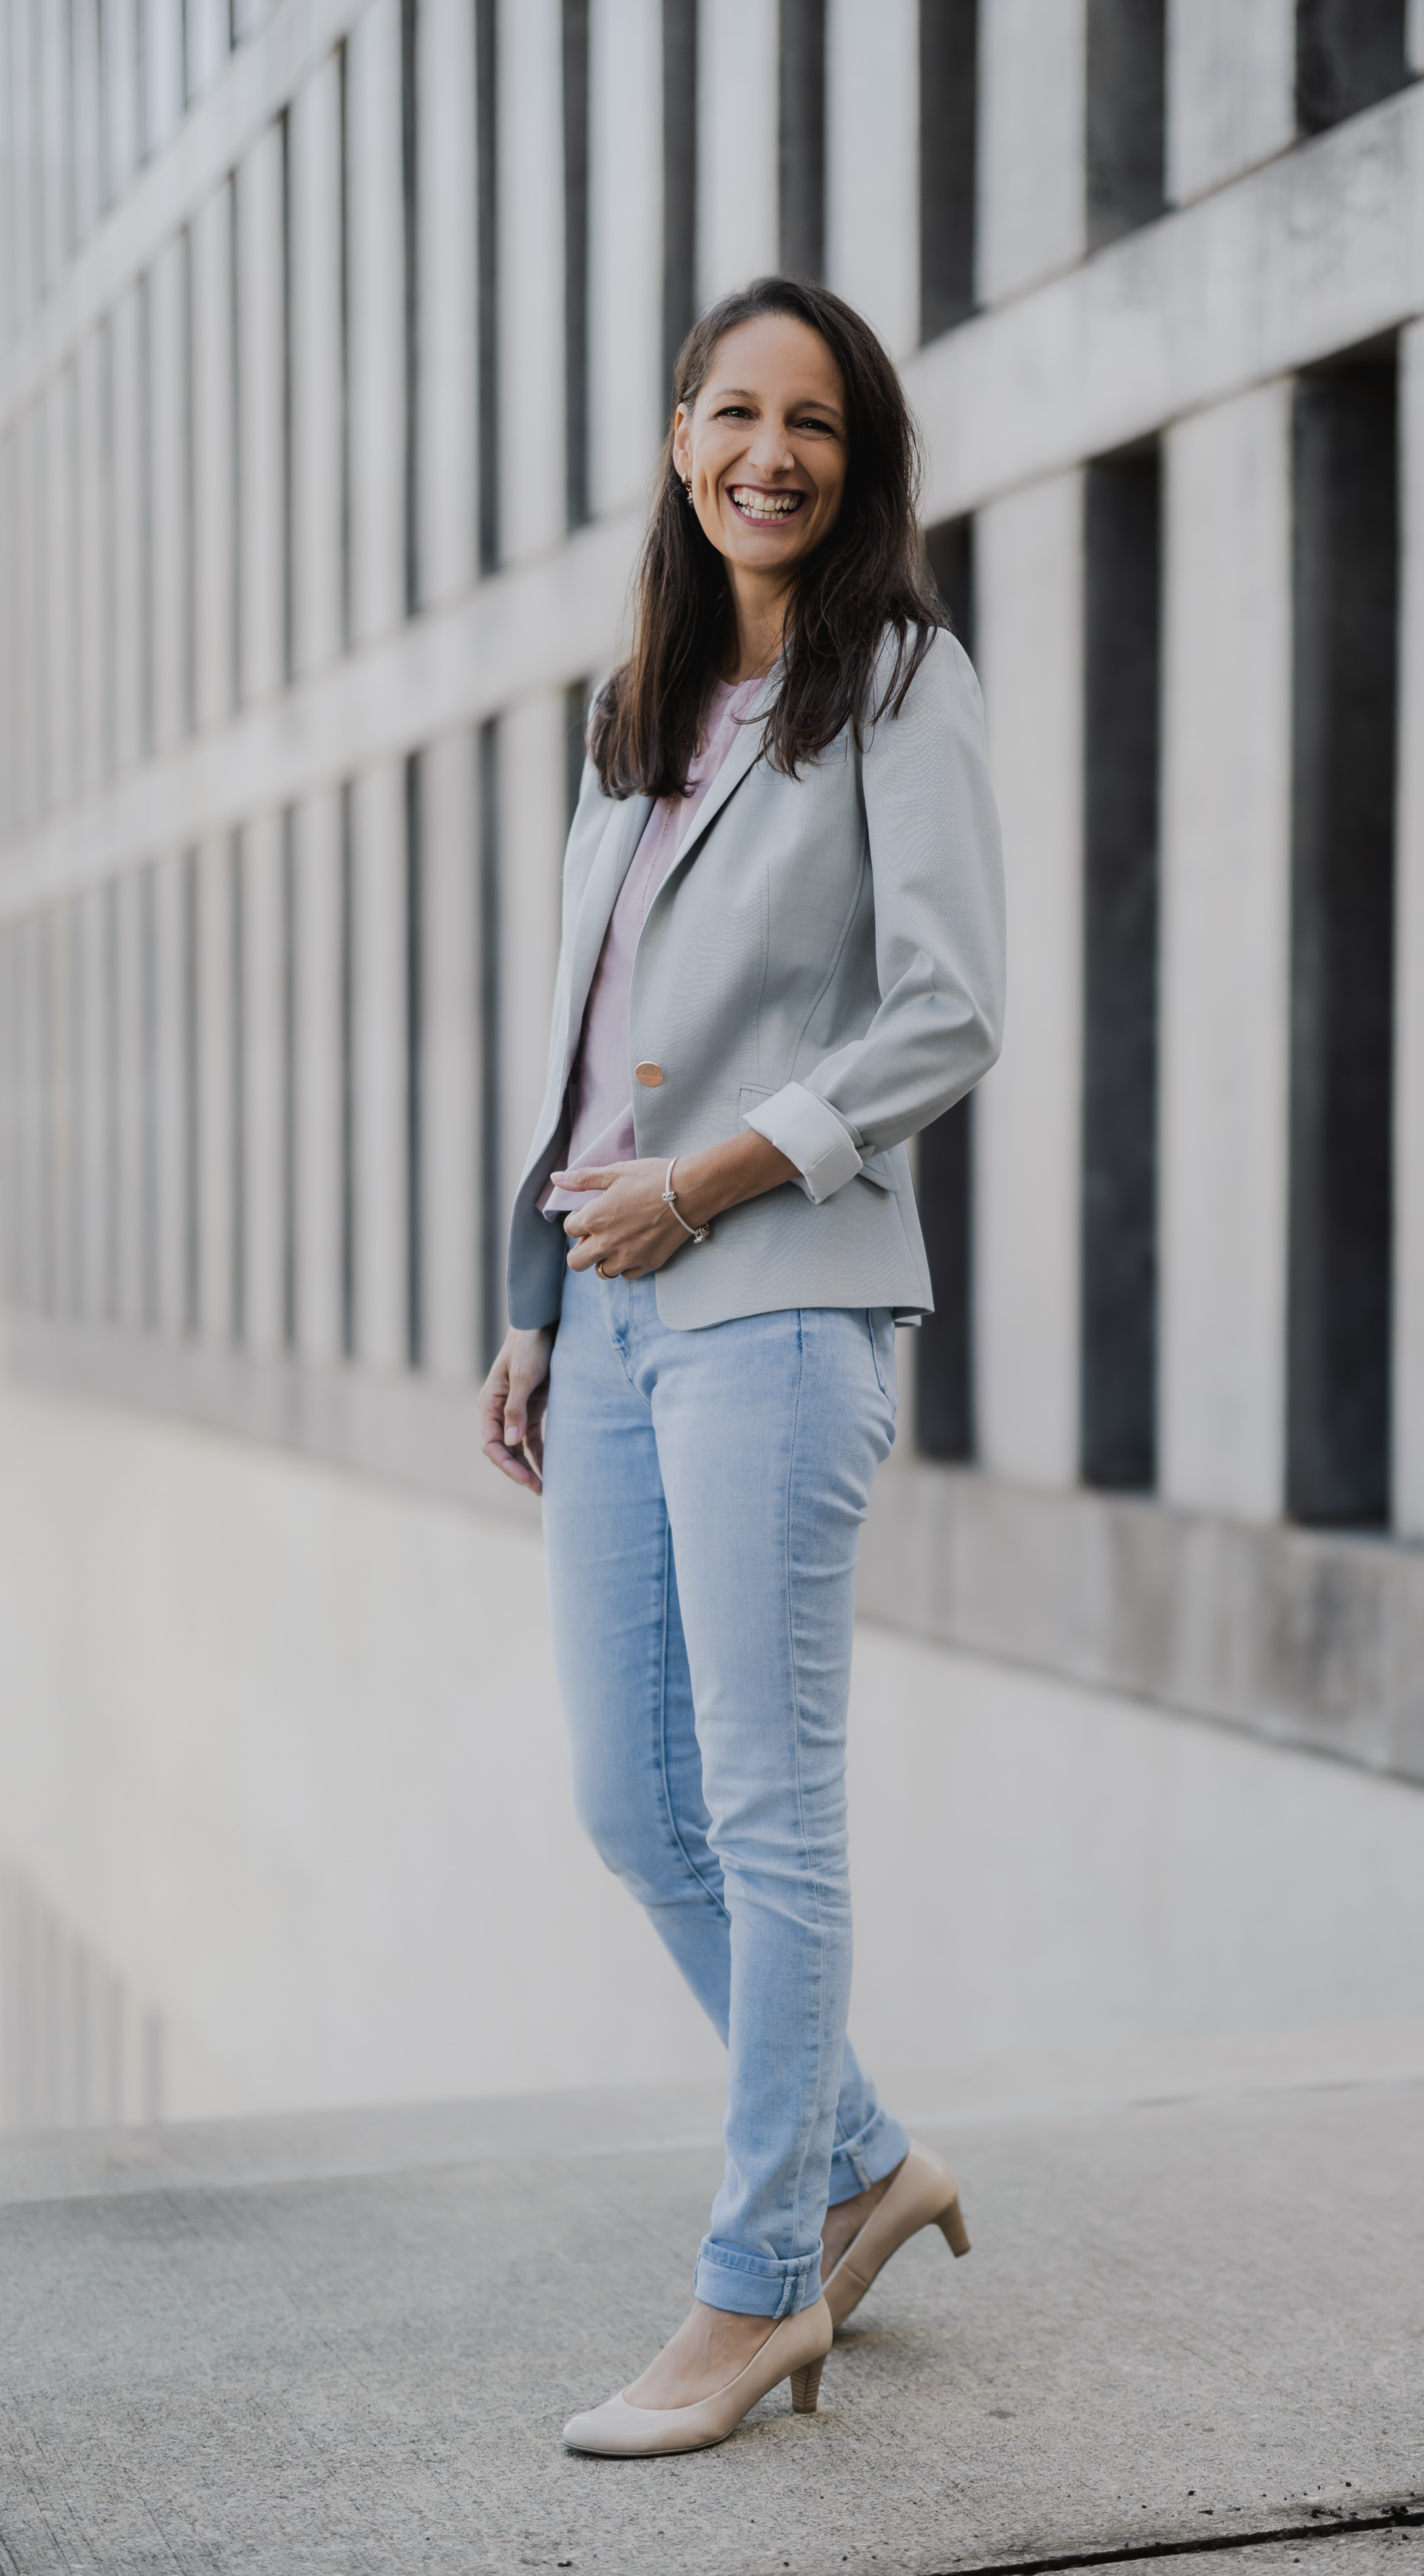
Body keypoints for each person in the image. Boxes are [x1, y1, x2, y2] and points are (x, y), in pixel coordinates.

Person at [478, 276, 1004, 2457]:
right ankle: (868, 2159)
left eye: (809, 422)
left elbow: (948, 1011)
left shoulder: (899, 679)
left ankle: (757, 2281)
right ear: (680, 439)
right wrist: (532, 1287)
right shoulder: (644, 706)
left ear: (857, 460)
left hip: (775, 1296)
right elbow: (585, 1039)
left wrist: (701, 1185)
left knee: (769, 1806)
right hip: (604, 1312)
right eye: (729, 413)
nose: (763, 454)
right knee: (633, 1798)